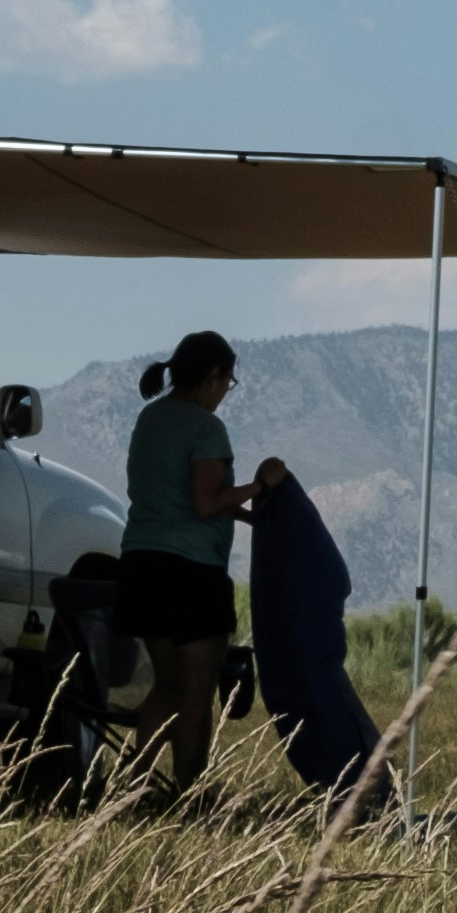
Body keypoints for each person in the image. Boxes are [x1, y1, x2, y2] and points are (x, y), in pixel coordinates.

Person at [110, 331, 287, 795]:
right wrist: (261, 486)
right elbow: (206, 502)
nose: (226, 391)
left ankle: (139, 788)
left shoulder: (151, 418)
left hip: (142, 565)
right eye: (228, 381)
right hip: (189, 574)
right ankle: (189, 793)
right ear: (212, 376)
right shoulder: (206, 428)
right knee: (196, 689)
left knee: (166, 684)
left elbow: (179, 497)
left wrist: (250, 514)